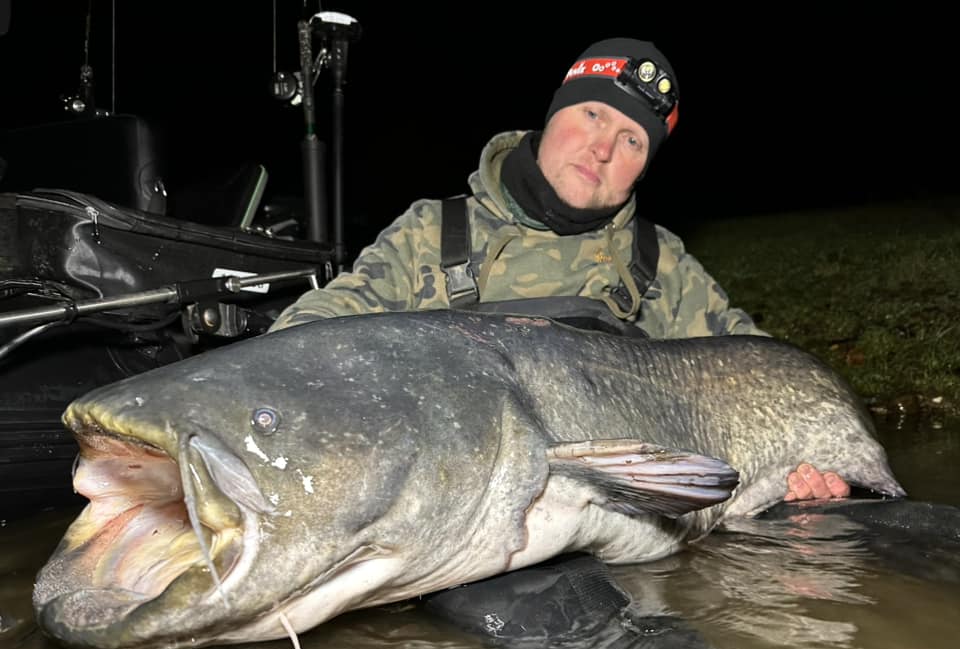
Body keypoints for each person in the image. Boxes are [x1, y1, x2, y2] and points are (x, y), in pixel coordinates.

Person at [270, 37, 850, 503]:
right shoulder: (435, 232)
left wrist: (801, 467)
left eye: (632, 142)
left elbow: (761, 373)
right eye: (592, 114)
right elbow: (321, 326)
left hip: (620, 514)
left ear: (642, 172)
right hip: (463, 513)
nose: (602, 149)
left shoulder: (658, 259)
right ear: (552, 116)